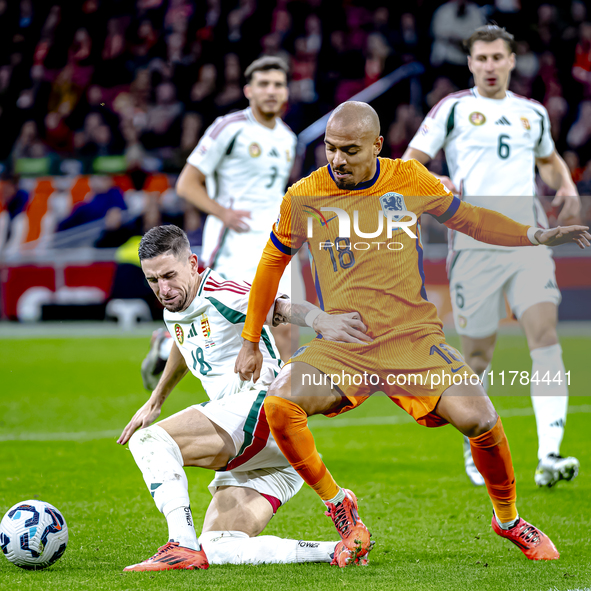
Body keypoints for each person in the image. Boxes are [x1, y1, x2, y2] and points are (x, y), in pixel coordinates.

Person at [234, 101, 590, 563]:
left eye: (349, 150)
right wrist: (249, 340)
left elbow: (472, 219)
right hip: (345, 343)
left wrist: (534, 235)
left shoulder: (409, 179)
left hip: (412, 340)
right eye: (329, 149)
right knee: (280, 404)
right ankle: (339, 504)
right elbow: (271, 264)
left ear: (378, 146)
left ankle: (508, 521)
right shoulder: (303, 195)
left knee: (481, 421)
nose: (337, 160)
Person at [118, 225, 372, 571]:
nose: (163, 289)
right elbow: (182, 339)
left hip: (261, 412)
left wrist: (320, 319)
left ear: (192, 263)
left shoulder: (220, 294)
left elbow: (277, 306)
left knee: (150, 441)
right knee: (219, 547)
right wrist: (157, 399)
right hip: (269, 452)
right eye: (152, 280)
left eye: (169, 275)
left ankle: (179, 544)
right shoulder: (175, 304)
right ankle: (337, 550)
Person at [403, 25, 581, 488]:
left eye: (497, 57)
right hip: (474, 240)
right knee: (477, 355)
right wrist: (436, 183)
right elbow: (410, 162)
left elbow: (549, 157)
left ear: (510, 60)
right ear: (470, 63)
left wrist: (563, 183)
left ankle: (550, 454)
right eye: (480, 58)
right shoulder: (455, 109)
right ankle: (474, 438)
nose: (489, 65)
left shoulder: (532, 113)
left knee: (544, 336)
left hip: (529, 237)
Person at [140, 57, 301, 391]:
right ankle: (166, 343)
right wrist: (223, 213)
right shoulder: (229, 128)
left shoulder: (288, 138)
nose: (271, 91)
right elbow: (186, 183)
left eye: (278, 85)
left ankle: (285, 405)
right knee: (214, 317)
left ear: (286, 92)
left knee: (285, 319)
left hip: (275, 240)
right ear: (248, 91)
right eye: (264, 84)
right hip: (234, 240)